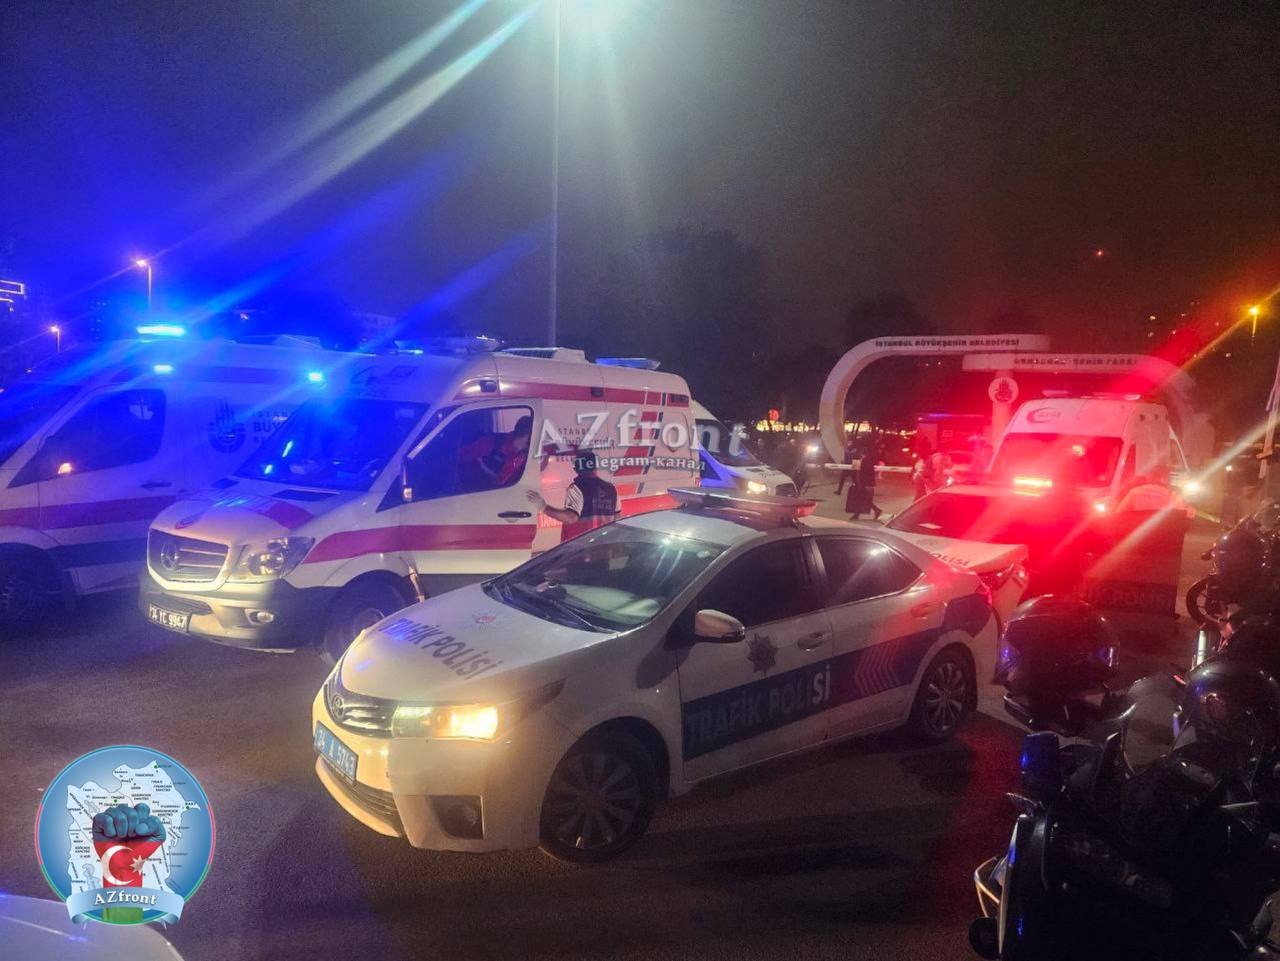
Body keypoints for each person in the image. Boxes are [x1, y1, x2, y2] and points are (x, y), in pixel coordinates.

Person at [527, 450, 620, 529]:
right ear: (595, 467)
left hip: (581, 542)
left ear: (576, 470)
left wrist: (544, 507)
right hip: (603, 542)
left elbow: (571, 518)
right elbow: (617, 518)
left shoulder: (576, 488)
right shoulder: (611, 488)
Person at [846, 440, 883, 520]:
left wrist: (862, 482)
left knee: (861, 497)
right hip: (864, 482)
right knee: (863, 498)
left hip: (865, 482)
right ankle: (875, 510)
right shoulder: (867, 459)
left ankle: (858, 514)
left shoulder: (866, 460)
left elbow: (866, 472)